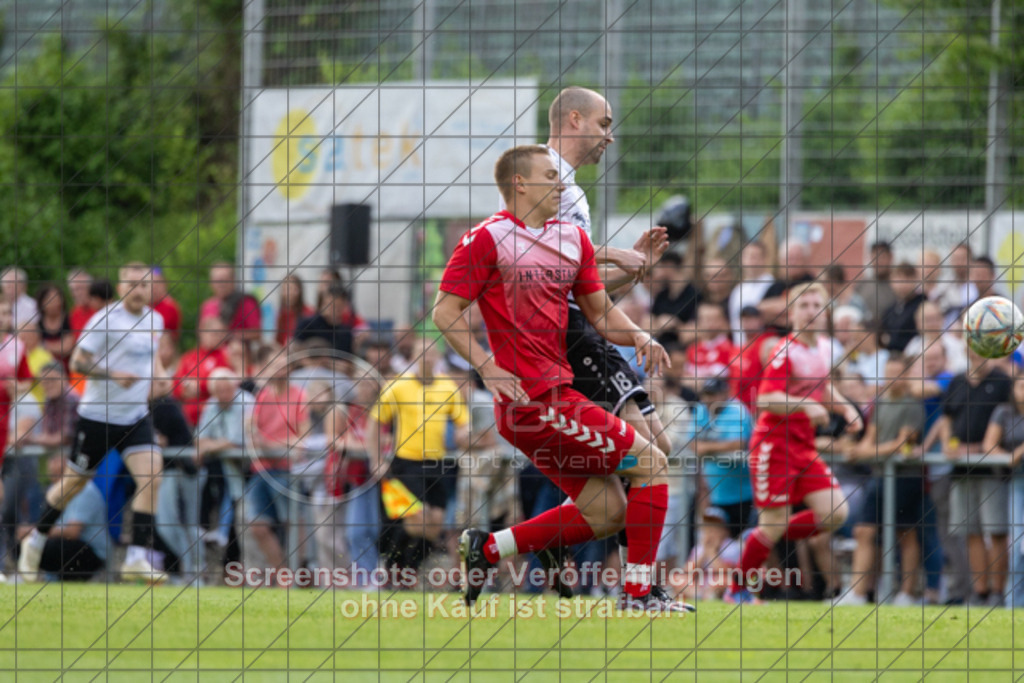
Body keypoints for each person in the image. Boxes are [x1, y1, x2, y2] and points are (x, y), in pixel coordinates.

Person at [432, 144, 687, 612]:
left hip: (559, 396)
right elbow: (445, 311)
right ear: (519, 183)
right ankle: (637, 595)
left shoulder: (573, 239)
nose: (562, 184)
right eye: (550, 176)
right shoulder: (486, 239)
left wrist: (639, 336)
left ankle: (488, 549)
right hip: (532, 403)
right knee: (651, 462)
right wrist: (487, 366)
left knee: (608, 513)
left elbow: (599, 312)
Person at [19, 262, 169, 584]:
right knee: (72, 485)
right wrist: (113, 374)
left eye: (143, 285)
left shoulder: (155, 320)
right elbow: (78, 362)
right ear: (120, 287)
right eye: (131, 284)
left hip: (135, 416)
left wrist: (161, 376)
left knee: (153, 474)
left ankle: (136, 557)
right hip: (98, 417)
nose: (137, 290)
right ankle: (35, 540)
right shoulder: (105, 320)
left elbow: (151, 357)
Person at [727, 282, 863, 603]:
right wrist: (806, 405)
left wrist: (845, 408)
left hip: (803, 447)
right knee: (775, 523)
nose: (811, 311)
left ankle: (759, 538)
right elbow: (767, 398)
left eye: (817, 305)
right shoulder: (784, 350)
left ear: (825, 313)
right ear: (791, 314)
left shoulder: (824, 348)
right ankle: (738, 590)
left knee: (835, 513)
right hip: (774, 446)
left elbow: (821, 386)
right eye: (804, 306)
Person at [922, 347, 1012, 606]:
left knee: (996, 530)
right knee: (970, 531)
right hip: (961, 470)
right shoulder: (958, 381)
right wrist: (949, 444)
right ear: (966, 350)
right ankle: (980, 592)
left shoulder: (1003, 382)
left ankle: (997, 592)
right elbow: (947, 417)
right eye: (973, 348)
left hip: (992, 469)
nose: (977, 354)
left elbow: (1009, 420)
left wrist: (976, 448)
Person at [369, 337, 468, 571]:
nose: (427, 357)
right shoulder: (397, 386)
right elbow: (374, 423)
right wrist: (376, 460)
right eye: (422, 353)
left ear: (438, 357)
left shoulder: (448, 387)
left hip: (437, 463)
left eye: (432, 353)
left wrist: (465, 434)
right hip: (406, 463)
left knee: (434, 526)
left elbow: (463, 421)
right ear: (412, 358)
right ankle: (390, 562)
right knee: (419, 520)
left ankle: (407, 570)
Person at [838, 356, 927, 606]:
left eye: (897, 373)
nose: (892, 379)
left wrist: (864, 453)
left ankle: (907, 594)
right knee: (864, 530)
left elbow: (902, 442)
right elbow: (871, 437)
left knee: (905, 534)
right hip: (879, 475)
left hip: (904, 478)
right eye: (889, 373)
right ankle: (857, 593)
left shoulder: (913, 405)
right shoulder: (882, 403)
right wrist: (859, 449)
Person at [243, 349, 309, 582]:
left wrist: (269, 444)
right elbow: (251, 430)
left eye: (282, 366)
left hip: (286, 470)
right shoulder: (262, 396)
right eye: (273, 365)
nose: (277, 370)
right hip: (261, 469)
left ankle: (299, 572)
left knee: (293, 523)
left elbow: (302, 439)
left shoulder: (299, 395)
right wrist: (261, 441)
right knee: (258, 526)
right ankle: (283, 574)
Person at [688, 378, 755, 540]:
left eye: (713, 395)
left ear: (725, 393)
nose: (709, 400)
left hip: (743, 494)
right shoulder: (701, 410)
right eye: (706, 395)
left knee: (745, 542)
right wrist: (716, 447)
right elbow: (692, 444)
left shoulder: (737, 410)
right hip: (714, 495)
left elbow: (738, 443)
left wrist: (707, 447)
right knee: (716, 545)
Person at [35, 454, 114, 582]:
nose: (55, 480)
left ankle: (58, 579)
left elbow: (73, 532)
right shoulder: (54, 490)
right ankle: (38, 578)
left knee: (47, 545)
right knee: (26, 543)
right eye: (53, 476)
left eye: (59, 475)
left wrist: (36, 531)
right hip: (70, 545)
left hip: (92, 551)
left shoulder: (84, 490)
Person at [982, 372, 1024, 607]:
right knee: (1017, 544)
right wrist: (1012, 456)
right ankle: (1014, 603)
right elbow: (989, 446)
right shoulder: (1004, 412)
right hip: (1015, 483)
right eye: (1021, 385)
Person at [201, 262, 261, 345]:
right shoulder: (207, 306)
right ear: (211, 283)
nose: (221, 285)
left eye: (224, 280)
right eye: (217, 281)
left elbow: (256, 333)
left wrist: (229, 336)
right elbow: (201, 335)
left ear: (233, 280)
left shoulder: (246, 302)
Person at [903, 300, 968, 375]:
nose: (932, 324)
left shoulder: (955, 343)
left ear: (942, 319)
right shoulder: (913, 345)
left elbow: (964, 366)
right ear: (918, 323)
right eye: (927, 320)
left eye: (935, 319)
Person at [728, 241, 775, 345]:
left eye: (755, 257)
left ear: (764, 259)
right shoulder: (737, 291)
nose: (751, 261)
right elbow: (734, 324)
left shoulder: (773, 286)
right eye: (747, 256)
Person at [295, 284, 359, 355]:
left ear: (344, 306)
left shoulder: (346, 332)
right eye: (330, 305)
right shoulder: (307, 324)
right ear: (323, 303)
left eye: (338, 306)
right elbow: (296, 352)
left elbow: (349, 358)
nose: (334, 310)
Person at [878, 262, 927, 353]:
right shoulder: (890, 311)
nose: (902, 284)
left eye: (907, 278)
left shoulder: (922, 304)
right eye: (898, 279)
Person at [856, 240, 896, 323]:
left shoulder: (899, 285)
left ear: (891, 257)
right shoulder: (862, 285)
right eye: (875, 257)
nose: (878, 262)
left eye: (882, 257)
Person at [35, 282, 73, 370]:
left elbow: (67, 348)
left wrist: (44, 345)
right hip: (43, 369)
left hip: (68, 370)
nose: (54, 303)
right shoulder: (37, 325)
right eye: (49, 299)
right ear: (41, 303)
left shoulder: (69, 320)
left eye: (56, 298)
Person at [276, 273, 313, 346]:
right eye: (284, 289)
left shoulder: (308, 313)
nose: (288, 293)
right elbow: (278, 341)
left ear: (299, 290)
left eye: (292, 289)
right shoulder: (282, 314)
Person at [151, 267, 182, 340]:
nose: (154, 287)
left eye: (157, 283)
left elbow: (173, 338)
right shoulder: (143, 305)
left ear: (164, 284)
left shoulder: (170, 307)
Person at [66, 268, 95, 340]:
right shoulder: (72, 315)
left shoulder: (102, 310)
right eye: (75, 290)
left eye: (81, 288)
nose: (78, 293)